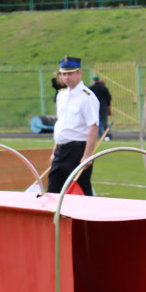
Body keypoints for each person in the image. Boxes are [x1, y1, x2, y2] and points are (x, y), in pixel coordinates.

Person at [48, 56, 99, 195]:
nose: (66, 77)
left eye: (70, 73)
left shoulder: (87, 97)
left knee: (81, 193)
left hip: (77, 150)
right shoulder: (61, 96)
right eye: (64, 74)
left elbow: (93, 127)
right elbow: (61, 125)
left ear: (79, 73)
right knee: (53, 193)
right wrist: (54, 151)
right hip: (60, 150)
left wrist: (87, 156)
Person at [88, 75, 112, 141]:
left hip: (95, 107)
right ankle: (107, 135)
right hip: (104, 106)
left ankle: (100, 135)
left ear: (93, 81)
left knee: (98, 122)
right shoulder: (104, 88)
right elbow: (109, 97)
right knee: (104, 121)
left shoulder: (91, 88)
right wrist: (108, 105)